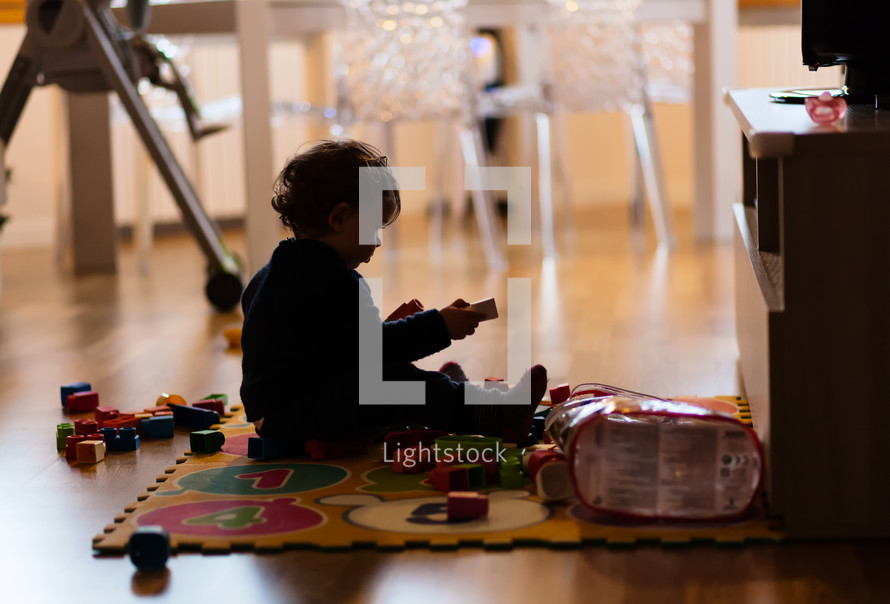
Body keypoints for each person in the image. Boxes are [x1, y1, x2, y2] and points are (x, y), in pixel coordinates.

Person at [240, 139, 547, 452]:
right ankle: (500, 417)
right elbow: (378, 352)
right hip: (301, 417)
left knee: (394, 381)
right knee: (402, 385)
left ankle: (449, 396)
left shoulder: (270, 274)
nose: (377, 242)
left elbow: (332, 350)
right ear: (339, 218)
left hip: (276, 414)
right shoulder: (336, 283)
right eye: (374, 228)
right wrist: (440, 326)